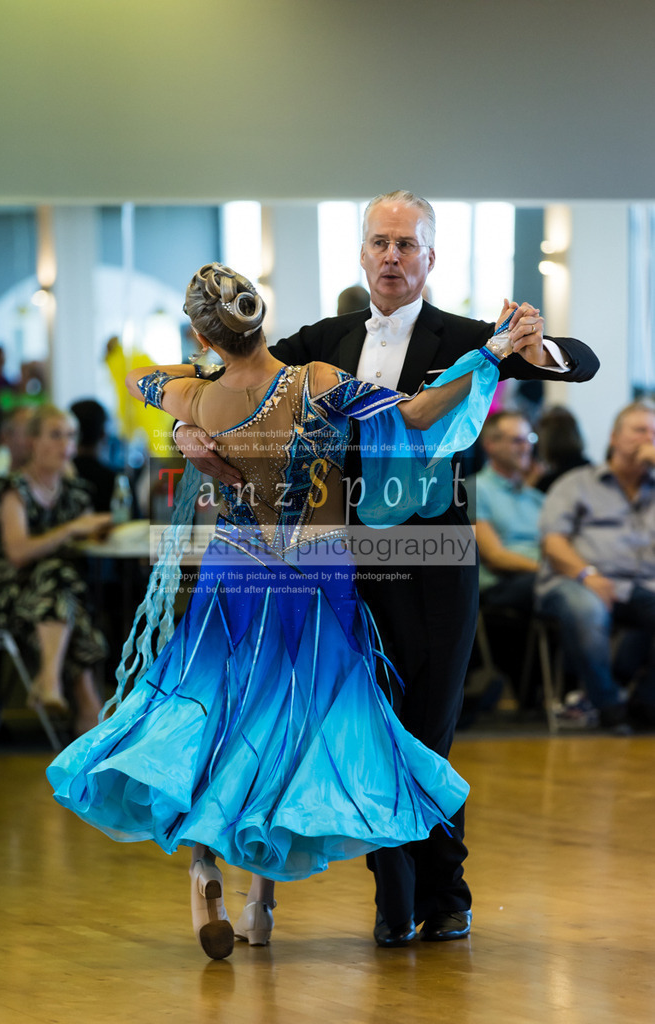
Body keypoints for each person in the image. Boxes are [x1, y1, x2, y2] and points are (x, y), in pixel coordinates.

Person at [47, 261, 512, 962]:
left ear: (205, 335)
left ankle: (207, 873)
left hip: (232, 578)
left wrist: (188, 419)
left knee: (217, 721)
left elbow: (147, 376)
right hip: (313, 575)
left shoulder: (192, 397)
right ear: (261, 317)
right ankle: (260, 909)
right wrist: (487, 357)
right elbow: (415, 414)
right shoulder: (316, 381)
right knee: (285, 730)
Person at [174, 192, 599, 946]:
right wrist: (185, 427)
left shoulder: (469, 336)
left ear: (430, 257)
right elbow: (226, 373)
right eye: (380, 243)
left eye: (407, 244)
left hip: (432, 559)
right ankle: (394, 900)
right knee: (362, 723)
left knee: (426, 727)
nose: (393, 256)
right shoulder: (323, 339)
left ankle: (440, 893)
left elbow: (578, 362)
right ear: (363, 255)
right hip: (337, 559)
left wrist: (532, 347)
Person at [0, 405, 112, 734]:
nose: (65, 445)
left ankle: (54, 687)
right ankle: (85, 712)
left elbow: (89, 541)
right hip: (8, 597)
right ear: (33, 442)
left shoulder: (75, 492)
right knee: (60, 579)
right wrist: (71, 529)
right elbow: (18, 554)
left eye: (70, 436)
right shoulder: (13, 490)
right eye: (55, 435)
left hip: (58, 599)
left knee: (64, 584)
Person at [536, 401, 655, 732]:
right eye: (640, 430)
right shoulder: (576, 484)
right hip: (576, 580)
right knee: (587, 609)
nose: (648, 439)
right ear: (614, 437)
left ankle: (645, 705)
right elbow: (553, 542)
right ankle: (608, 706)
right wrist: (587, 574)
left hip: (640, 585)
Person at [470, 412, 544, 614]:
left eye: (530, 439)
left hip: (540, 578)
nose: (527, 447)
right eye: (517, 440)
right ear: (490, 445)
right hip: (502, 585)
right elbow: (495, 556)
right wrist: (550, 571)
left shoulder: (536, 498)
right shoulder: (474, 489)